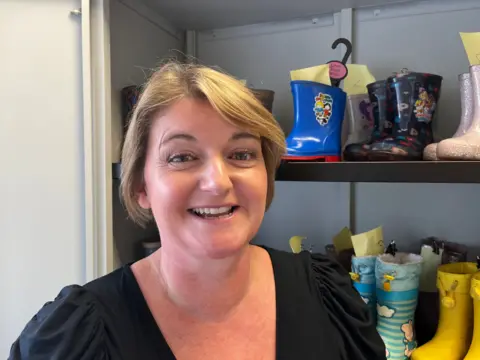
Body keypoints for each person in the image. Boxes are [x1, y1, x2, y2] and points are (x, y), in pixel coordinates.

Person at [9, 62, 385, 359]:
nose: (218, 182)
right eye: (182, 157)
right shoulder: (76, 336)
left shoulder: (328, 297)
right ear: (141, 186)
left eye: (241, 154)